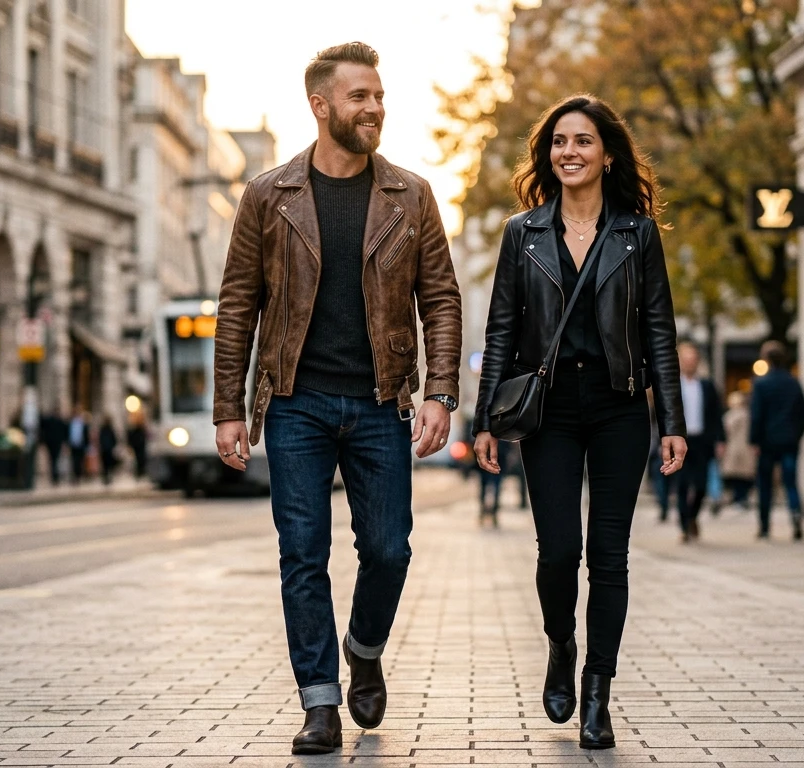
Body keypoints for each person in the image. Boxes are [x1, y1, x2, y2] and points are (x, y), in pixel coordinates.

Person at [212, 42, 461, 756]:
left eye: (379, 95)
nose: (374, 107)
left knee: (388, 549)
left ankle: (365, 645)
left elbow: (440, 298)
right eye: (360, 97)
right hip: (295, 401)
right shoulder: (269, 195)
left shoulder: (410, 194)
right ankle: (319, 703)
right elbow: (238, 305)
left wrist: (440, 390)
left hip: (383, 401)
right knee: (303, 552)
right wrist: (230, 407)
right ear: (320, 106)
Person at [473, 94, 686, 750]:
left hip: (620, 405)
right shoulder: (522, 233)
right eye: (560, 141)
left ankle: (598, 691)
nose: (570, 151)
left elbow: (658, 330)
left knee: (610, 555)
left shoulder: (637, 234)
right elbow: (503, 328)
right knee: (559, 550)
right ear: (548, 154)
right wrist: (485, 418)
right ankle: (561, 643)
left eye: (584, 141)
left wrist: (671, 419)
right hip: (551, 409)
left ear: (607, 154)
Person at [749, 340, 804, 540]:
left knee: (765, 484)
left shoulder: (761, 384)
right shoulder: (794, 382)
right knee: (790, 482)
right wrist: (797, 435)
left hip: (767, 442)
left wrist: (754, 441)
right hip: (789, 440)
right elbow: (803, 413)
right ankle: (796, 515)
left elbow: (756, 415)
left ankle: (764, 525)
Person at [670, 343, 725, 541]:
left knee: (701, 485)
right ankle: (684, 525)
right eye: (686, 359)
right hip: (680, 441)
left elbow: (716, 414)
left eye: (693, 359)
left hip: (702, 442)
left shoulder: (707, 386)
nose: (690, 363)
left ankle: (693, 516)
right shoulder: (673, 386)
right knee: (683, 484)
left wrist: (720, 440)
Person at [720, 390, 756, 510]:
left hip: (734, 447)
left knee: (736, 475)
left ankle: (738, 498)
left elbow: (725, 430)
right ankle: (742, 498)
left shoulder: (731, 415)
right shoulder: (749, 414)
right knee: (743, 475)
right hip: (746, 448)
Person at [39, 410, 67, 486]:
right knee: (54, 459)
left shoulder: (51, 421)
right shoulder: (59, 421)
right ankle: (55, 476)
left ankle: (54, 475)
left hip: (52, 443)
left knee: (53, 460)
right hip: (55, 443)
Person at [67, 409, 89, 484]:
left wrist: (86, 445)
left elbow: (86, 435)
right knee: (74, 461)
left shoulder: (83, 424)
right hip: (73, 445)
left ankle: (79, 476)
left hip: (81, 445)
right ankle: (75, 476)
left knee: (80, 461)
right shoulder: (71, 423)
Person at [97, 415, 119, 485]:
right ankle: (106, 477)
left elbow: (114, 439)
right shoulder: (104, 429)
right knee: (106, 465)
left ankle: (108, 477)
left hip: (107, 449)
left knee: (107, 465)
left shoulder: (109, 429)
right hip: (106, 449)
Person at [127, 412, 149, 479]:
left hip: (140, 446)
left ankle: (141, 471)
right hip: (137, 446)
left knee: (141, 459)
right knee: (138, 459)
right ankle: (139, 472)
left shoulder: (141, 429)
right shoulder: (134, 429)